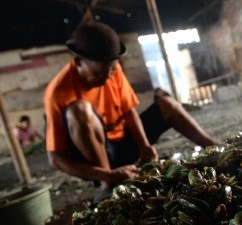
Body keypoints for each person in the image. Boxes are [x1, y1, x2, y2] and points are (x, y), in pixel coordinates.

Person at [44, 21, 219, 201]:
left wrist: (144, 146)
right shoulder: (58, 92)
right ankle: (108, 185)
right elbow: (56, 159)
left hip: (126, 144)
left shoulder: (112, 68)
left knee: (167, 104)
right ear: (78, 62)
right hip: (101, 160)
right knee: (80, 110)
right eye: (98, 74)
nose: (106, 79)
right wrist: (106, 174)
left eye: (111, 71)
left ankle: (215, 147)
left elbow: (129, 111)